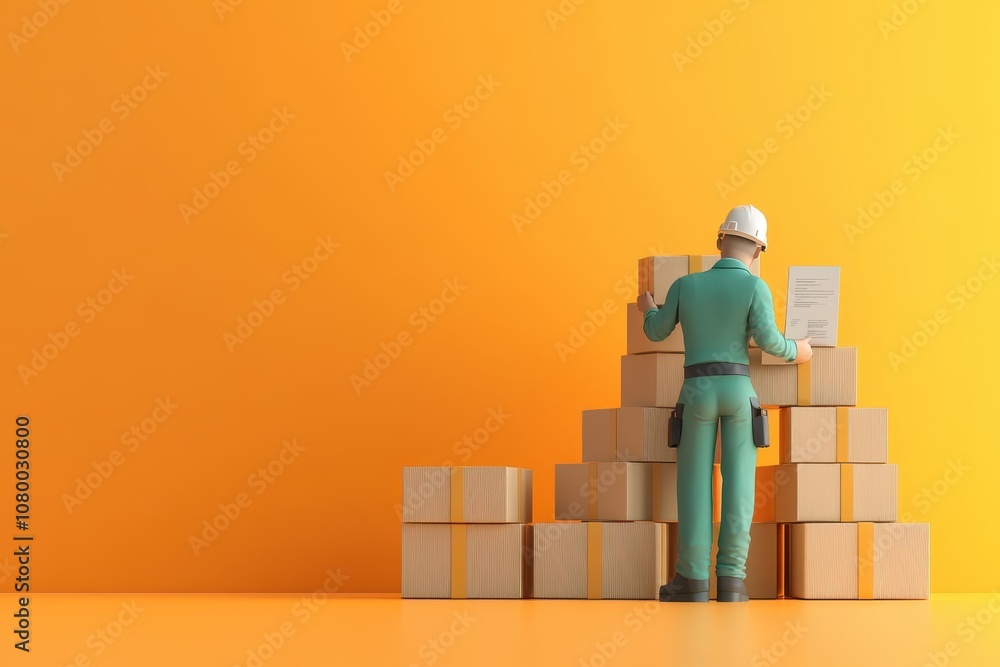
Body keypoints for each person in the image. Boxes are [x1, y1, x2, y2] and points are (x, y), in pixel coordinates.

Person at [637, 204, 812, 602]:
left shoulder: (685, 285)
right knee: (740, 486)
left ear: (719, 240)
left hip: (696, 391)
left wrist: (648, 306)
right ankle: (732, 581)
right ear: (758, 251)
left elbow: (656, 331)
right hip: (738, 392)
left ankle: (692, 580)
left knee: (694, 484)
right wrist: (797, 350)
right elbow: (769, 341)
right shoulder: (755, 287)